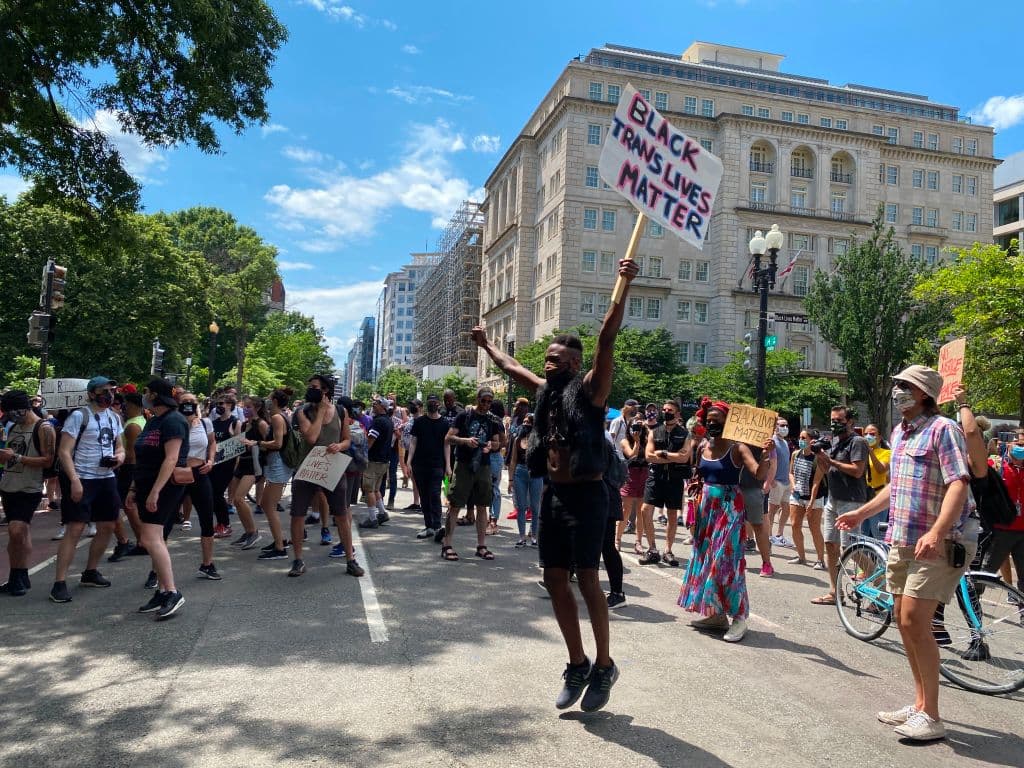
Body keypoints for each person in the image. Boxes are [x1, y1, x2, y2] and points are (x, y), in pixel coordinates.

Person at [471, 255, 639, 713]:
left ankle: (604, 665)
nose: (547, 364)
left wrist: (622, 283)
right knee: (553, 578)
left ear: (576, 363)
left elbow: (606, 340)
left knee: (587, 579)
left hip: (589, 496)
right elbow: (511, 368)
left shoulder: (591, 390)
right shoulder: (545, 393)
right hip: (555, 495)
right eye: (546, 358)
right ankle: (577, 663)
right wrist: (487, 345)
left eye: (557, 359)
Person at [836, 365, 977, 742]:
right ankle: (919, 704)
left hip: (939, 541)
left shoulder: (943, 429)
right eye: (897, 384)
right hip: (902, 538)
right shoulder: (900, 432)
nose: (897, 390)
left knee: (915, 620)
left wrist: (937, 531)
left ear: (924, 394)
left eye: (905, 385)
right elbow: (895, 487)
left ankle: (932, 715)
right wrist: (861, 513)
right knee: (902, 619)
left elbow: (958, 484)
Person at [679, 399, 772, 643]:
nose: (711, 424)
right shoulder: (702, 446)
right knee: (706, 560)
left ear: (729, 422)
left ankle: (739, 617)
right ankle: (717, 614)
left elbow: (759, 474)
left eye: (717, 421)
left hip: (729, 510)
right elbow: (699, 475)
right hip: (706, 509)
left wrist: (766, 456)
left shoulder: (738, 448)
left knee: (726, 563)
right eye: (708, 420)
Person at [50, 376, 125, 603]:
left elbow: (120, 446)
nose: (109, 394)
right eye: (104, 390)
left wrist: (119, 458)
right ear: (92, 393)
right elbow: (64, 451)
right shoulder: (79, 416)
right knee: (75, 528)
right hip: (83, 477)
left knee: (108, 525)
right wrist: (74, 480)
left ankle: (90, 571)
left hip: (107, 477)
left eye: (112, 390)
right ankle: (59, 583)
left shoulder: (114, 417)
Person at [290, 375, 364, 577]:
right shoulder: (302, 412)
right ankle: (298, 560)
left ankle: (350, 560)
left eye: (314, 387)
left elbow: (347, 440)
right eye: (310, 386)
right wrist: (321, 411)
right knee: (298, 514)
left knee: (341, 514)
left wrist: (339, 446)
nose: (310, 390)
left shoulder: (340, 411)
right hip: (308, 468)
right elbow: (311, 437)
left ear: (325, 391)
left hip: (332, 468)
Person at [132, 379, 190, 620]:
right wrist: (134, 489)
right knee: (153, 538)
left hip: (164, 487)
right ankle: (164, 591)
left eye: (146, 391)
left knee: (150, 538)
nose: (143, 395)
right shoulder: (154, 420)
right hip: (147, 485)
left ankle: (172, 592)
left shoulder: (174, 420)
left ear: (155, 394)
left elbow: (171, 459)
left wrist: (156, 490)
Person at [811, 405, 868, 606]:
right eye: (832, 420)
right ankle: (835, 592)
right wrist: (820, 457)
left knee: (850, 548)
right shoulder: (835, 442)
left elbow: (857, 471)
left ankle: (880, 581)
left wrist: (831, 461)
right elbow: (827, 469)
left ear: (850, 422)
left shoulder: (858, 442)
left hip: (851, 500)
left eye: (839, 421)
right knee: (830, 544)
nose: (835, 424)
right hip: (833, 499)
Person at [0, 390, 55, 595]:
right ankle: (20, 576)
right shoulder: (13, 426)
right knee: (18, 534)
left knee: (16, 531)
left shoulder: (44, 428)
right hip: (9, 486)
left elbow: (47, 461)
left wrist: (17, 458)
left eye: (11, 412)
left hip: (29, 487)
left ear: (22, 408)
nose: (10, 416)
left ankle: (17, 577)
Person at [440, 386, 503, 561]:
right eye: (483, 401)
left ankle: (481, 546)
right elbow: (448, 438)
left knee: (482, 505)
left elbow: (497, 442)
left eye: (489, 402)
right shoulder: (464, 416)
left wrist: (491, 446)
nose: (486, 405)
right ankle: (447, 545)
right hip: (464, 464)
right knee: (455, 505)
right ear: (477, 399)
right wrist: (465, 440)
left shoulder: (492, 419)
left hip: (483, 465)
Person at [175, 392, 220, 579]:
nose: (188, 404)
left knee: (207, 519)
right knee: (166, 522)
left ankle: (207, 564)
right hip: (177, 475)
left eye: (192, 402)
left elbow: (212, 442)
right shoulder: (173, 423)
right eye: (184, 402)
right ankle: (156, 571)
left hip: (200, 473)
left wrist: (210, 460)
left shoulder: (205, 423)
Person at [250, 390, 291, 563]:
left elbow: (278, 443)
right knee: (268, 505)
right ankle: (280, 540)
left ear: (274, 401)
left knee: (269, 506)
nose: (266, 400)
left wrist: (258, 443)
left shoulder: (277, 418)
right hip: (277, 464)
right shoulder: (280, 416)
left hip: (278, 464)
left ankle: (280, 548)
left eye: (269, 398)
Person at [408, 394, 449, 540]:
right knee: (424, 496)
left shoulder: (444, 423)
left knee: (434, 494)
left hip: (437, 465)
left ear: (439, 404)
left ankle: (437, 526)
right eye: (430, 402)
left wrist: (448, 465)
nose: (432, 404)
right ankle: (429, 526)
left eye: (435, 402)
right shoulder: (419, 422)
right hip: (419, 465)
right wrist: (409, 461)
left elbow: (446, 445)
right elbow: (413, 442)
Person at [229, 396, 267, 552]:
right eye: (244, 406)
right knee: (235, 500)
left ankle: (254, 532)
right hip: (242, 463)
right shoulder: (245, 424)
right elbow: (240, 445)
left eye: (248, 406)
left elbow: (270, 445)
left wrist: (255, 445)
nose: (245, 409)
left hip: (254, 465)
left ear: (257, 408)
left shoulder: (262, 424)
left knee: (239, 498)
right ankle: (248, 532)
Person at [786, 430, 826, 568]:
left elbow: (816, 482)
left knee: (814, 528)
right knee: (794, 525)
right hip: (797, 496)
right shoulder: (795, 454)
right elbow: (791, 473)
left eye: (804, 438)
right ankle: (801, 556)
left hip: (814, 498)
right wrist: (793, 486)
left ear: (811, 440)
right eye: (800, 437)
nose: (800, 440)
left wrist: (812, 502)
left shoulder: (818, 458)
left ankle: (820, 560)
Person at [209, 393, 241, 540]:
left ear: (229, 405)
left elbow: (238, 446)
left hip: (227, 464)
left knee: (217, 494)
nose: (218, 406)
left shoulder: (235, 422)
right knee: (212, 494)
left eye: (221, 403)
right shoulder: (214, 422)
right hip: (213, 463)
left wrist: (236, 466)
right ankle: (220, 524)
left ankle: (225, 524)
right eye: (217, 404)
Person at [508, 413, 542, 547]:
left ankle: (534, 536)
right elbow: (513, 460)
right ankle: (521, 537)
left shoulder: (540, 440)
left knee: (535, 507)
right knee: (521, 507)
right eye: (525, 421)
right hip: (520, 472)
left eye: (529, 422)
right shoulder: (517, 439)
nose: (526, 424)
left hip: (535, 473)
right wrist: (510, 480)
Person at [617, 412, 648, 553]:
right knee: (626, 510)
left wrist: (647, 430)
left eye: (639, 426)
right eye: (634, 426)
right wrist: (637, 441)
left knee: (641, 512)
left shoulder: (647, 439)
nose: (637, 429)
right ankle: (617, 539)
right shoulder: (625, 441)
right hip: (630, 476)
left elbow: (651, 454)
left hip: (644, 476)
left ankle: (638, 542)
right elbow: (632, 455)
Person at [862, 423, 892, 539]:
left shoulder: (886, 453)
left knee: (878, 534)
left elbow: (881, 469)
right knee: (862, 534)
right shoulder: (860, 452)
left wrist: (870, 451)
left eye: (872, 434)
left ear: (879, 437)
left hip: (877, 497)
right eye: (866, 434)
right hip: (862, 497)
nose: (868, 436)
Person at [768, 417, 793, 548]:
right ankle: (769, 536)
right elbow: (768, 461)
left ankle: (779, 535)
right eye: (782, 425)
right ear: (775, 427)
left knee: (786, 509)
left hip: (786, 482)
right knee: (772, 510)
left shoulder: (784, 442)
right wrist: (771, 480)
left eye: (786, 425)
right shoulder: (772, 441)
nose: (785, 428)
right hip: (776, 482)